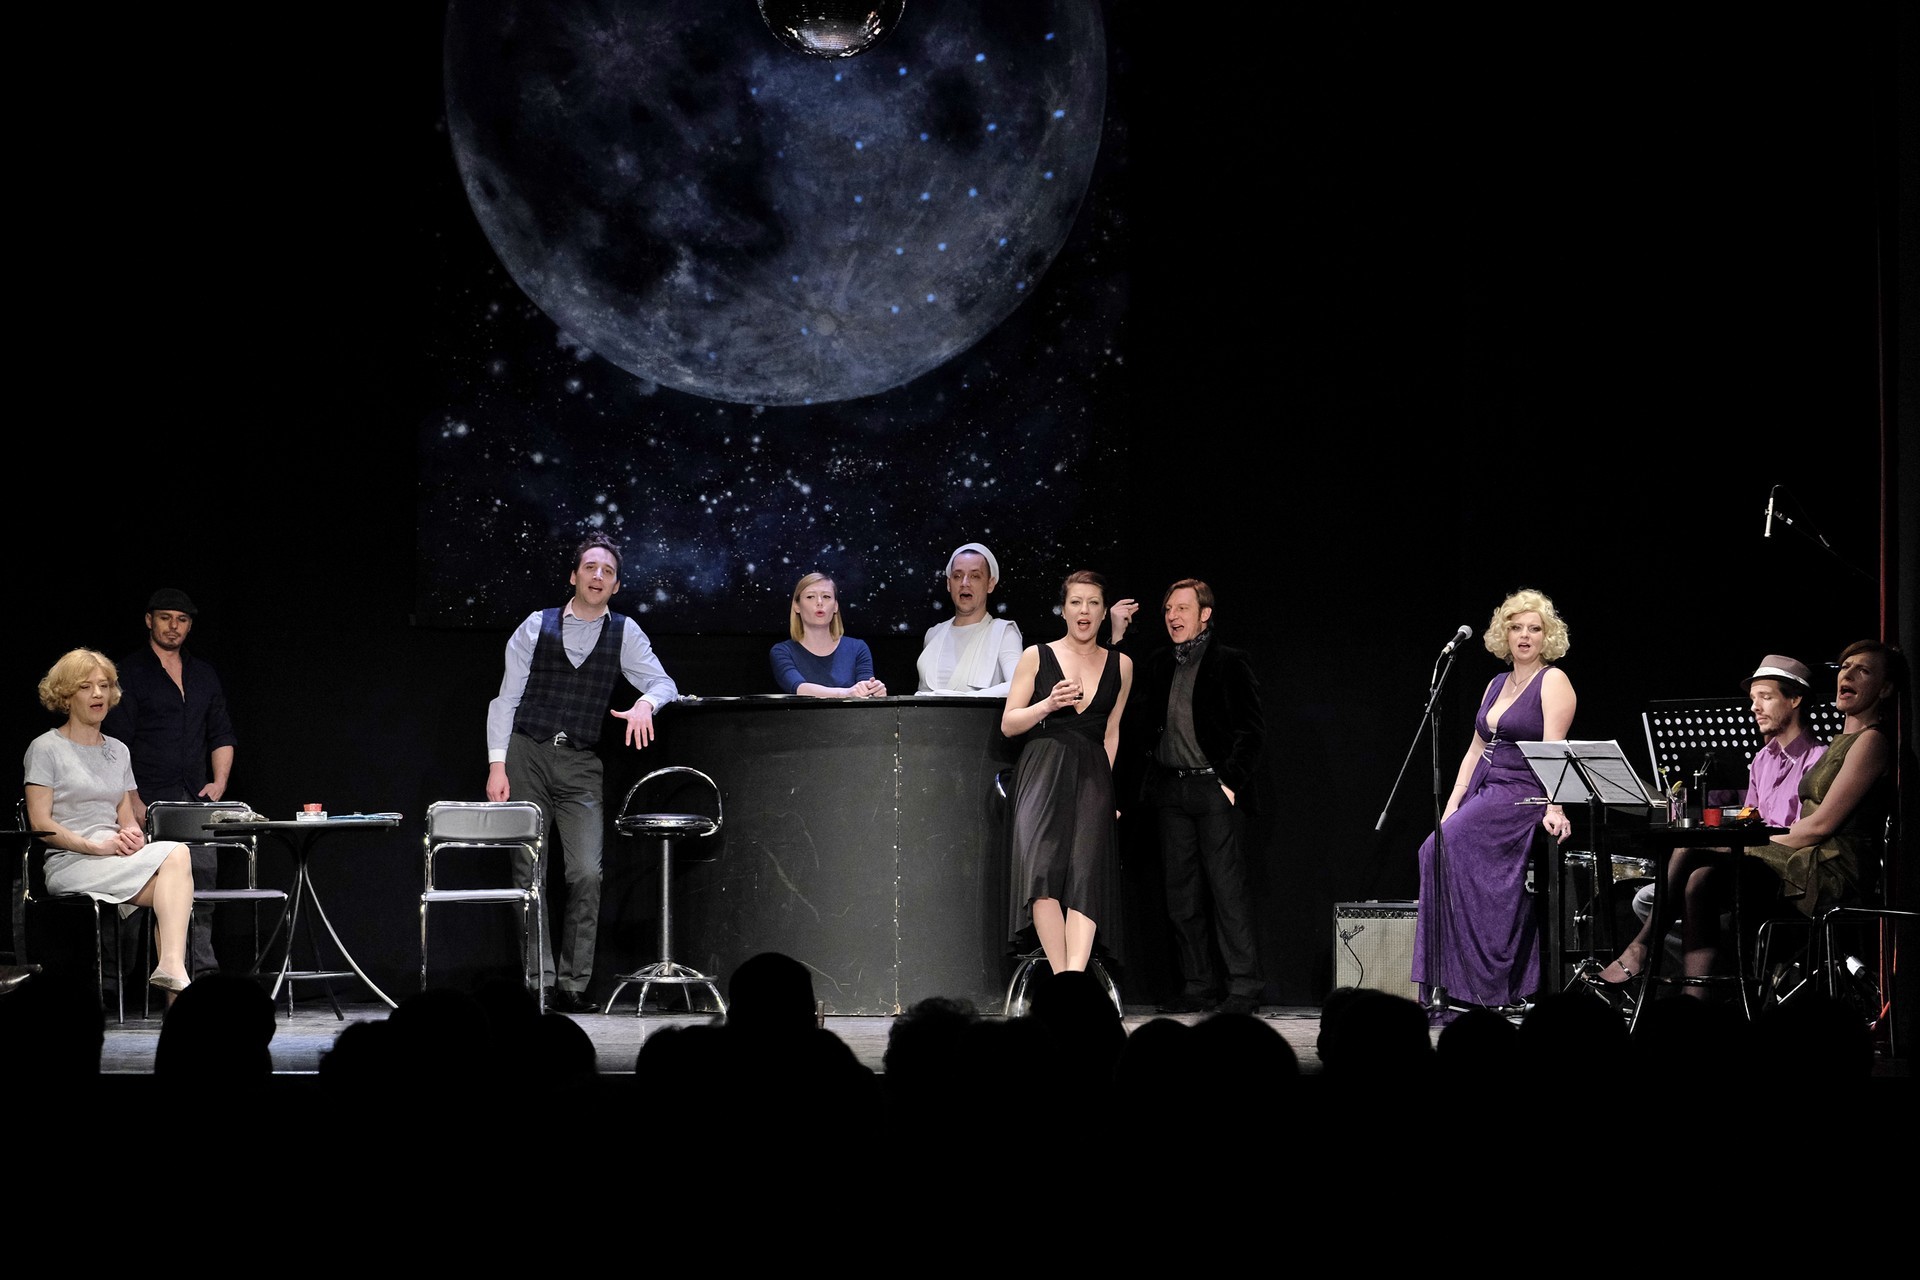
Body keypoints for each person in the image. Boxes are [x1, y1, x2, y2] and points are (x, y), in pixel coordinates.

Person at [485, 532, 680, 1014]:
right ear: (574, 576)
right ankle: (539, 982)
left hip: (580, 763)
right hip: (526, 753)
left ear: (616, 586)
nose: (598, 576)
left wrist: (645, 704)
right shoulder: (537, 625)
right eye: (590, 567)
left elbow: (663, 683)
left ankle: (573, 984)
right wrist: (497, 764)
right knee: (528, 870)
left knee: (586, 874)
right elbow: (506, 699)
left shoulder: (624, 632)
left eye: (607, 571)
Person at [1600, 654, 1827, 987]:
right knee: (1696, 878)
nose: (1755, 707)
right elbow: (1752, 817)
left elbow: (1804, 834)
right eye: (1753, 699)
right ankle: (1700, 991)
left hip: (1785, 867)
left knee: (1690, 854)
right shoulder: (1762, 759)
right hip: (1752, 861)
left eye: (1765, 697)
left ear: (1795, 699)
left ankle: (1643, 948)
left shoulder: (1818, 758)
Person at [1411, 588, 1577, 1018]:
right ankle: (1453, 984)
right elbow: (1474, 750)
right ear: (1504, 634)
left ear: (1547, 636)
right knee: (1434, 849)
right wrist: (1453, 805)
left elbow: (1555, 751)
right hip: (1487, 788)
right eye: (1516, 628)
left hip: (1523, 793)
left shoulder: (1553, 681)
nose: (1524, 636)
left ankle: (1491, 982)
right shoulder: (1496, 683)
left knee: (1440, 851)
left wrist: (1555, 807)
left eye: (1534, 629)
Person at [22, 649, 197, 1007]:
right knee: (177, 872)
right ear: (66, 695)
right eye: (86, 687)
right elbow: (39, 822)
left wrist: (132, 836)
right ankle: (176, 991)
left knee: (173, 894)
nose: (98, 694)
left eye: (104, 685)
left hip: (114, 858)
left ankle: (172, 977)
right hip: (71, 861)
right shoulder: (45, 748)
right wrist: (93, 846)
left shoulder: (118, 751)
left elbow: (125, 817)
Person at [1135, 579, 1268, 1016]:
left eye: (1182, 608)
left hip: (1214, 789)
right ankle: (1198, 985)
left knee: (1227, 892)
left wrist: (1230, 781)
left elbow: (1252, 729)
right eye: (1168, 609)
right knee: (1182, 895)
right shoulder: (1159, 663)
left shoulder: (1229, 661)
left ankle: (1244, 987)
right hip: (1172, 790)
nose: (1172, 616)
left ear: (1205, 614)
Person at [1002, 570, 1133, 984]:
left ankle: (1073, 981)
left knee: (1086, 877)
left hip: (1093, 773)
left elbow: (1111, 733)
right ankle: (1065, 984)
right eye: (1076, 602)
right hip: (1043, 770)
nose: (1084, 611)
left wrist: (1106, 791)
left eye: (1093, 602)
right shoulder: (1036, 655)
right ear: (1063, 609)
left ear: (1103, 611)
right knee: (1041, 874)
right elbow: (1009, 723)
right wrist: (1047, 704)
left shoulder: (1121, 665)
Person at [100, 587, 237, 979]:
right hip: (143, 797)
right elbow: (115, 743)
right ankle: (115, 983)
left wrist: (219, 782)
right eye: (165, 618)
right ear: (149, 620)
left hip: (193, 800)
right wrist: (130, 800)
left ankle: (199, 976)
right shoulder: (129, 673)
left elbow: (221, 732)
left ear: (190, 625)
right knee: (129, 894)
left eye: (182, 620)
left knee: (201, 890)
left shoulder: (203, 673)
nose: (173, 626)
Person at [915, 542, 1024, 696]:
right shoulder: (933, 634)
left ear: (990, 584)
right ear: (949, 584)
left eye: (975, 576)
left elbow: (1019, 685)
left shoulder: (1003, 633)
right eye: (957, 576)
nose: (965, 583)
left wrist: (965, 698)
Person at [768, 572, 886, 698]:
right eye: (810, 597)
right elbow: (799, 688)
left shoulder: (857, 648)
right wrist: (846, 693)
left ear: (835, 606)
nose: (819, 602)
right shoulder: (782, 651)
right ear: (797, 606)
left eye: (826, 596)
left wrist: (874, 691)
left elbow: (865, 693)